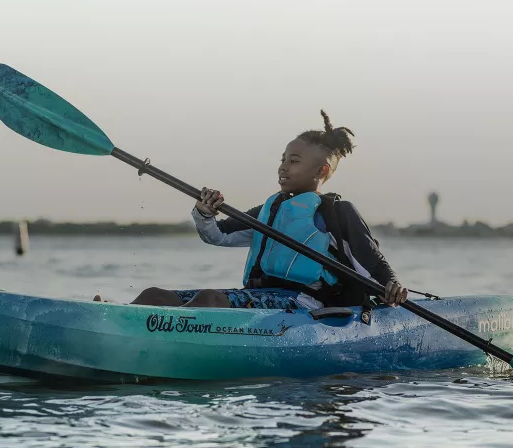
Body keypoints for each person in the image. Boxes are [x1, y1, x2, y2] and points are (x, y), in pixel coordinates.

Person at [99, 111, 408, 311]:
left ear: (321, 170)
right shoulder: (270, 209)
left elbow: (372, 259)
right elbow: (217, 235)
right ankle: (112, 321)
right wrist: (205, 211)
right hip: (260, 298)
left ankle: (159, 338)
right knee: (155, 295)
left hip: (303, 304)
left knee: (209, 301)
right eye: (283, 158)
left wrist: (391, 284)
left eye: (294, 160)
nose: (284, 166)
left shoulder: (337, 212)